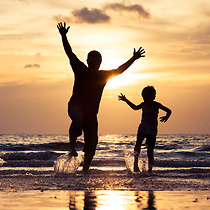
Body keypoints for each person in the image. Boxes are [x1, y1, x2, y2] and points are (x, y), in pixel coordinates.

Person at [57, 22, 145, 173]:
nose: (94, 63)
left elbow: (119, 70)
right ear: (88, 61)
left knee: (92, 144)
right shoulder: (80, 69)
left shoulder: (103, 75)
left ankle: (85, 170)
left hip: (91, 115)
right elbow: (69, 53)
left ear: (100, 62)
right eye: (92, 60)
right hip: (75, 107)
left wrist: (133, 58)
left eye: (97, 61)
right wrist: (64, 36)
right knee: (77, 119)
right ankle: (72, 147)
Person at [118, 86, 172, 173]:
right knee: (138, 144)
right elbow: (135, 108)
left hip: (152, 131)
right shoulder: (143, 104)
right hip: (142, 128)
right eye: (144, 97)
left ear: (153, 96)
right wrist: (126, 100)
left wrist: (166, 117)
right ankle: (135, 165)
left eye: (149, 96)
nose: (146, 99)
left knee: (150, 151)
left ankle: (149, 170)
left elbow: (169, 111)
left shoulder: (156, 105)